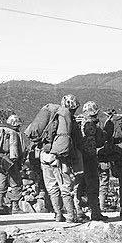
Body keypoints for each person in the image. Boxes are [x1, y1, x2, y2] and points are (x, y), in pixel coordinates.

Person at [39, 94, 85, 223]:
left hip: (44, 154)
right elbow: (77, 141)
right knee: (65, 186)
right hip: (59, 157)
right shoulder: (68, 119)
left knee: (52, 187)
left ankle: (58, 214)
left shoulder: (51, 115)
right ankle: (71, 215)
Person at [0, 114, 26, 215]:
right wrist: (18, 161)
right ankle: (15, 206)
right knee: (16, 183)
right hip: (11, 161)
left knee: (0, 181)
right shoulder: (15, 133)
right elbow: (20, 149)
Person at [77, 101, 108, 222]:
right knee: (93, 186)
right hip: (89, 158)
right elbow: (99, 141)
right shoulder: (91, 124)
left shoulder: (77, 121)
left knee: (78, 187)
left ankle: (78, 211)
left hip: (77, 159)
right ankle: (95, 213)